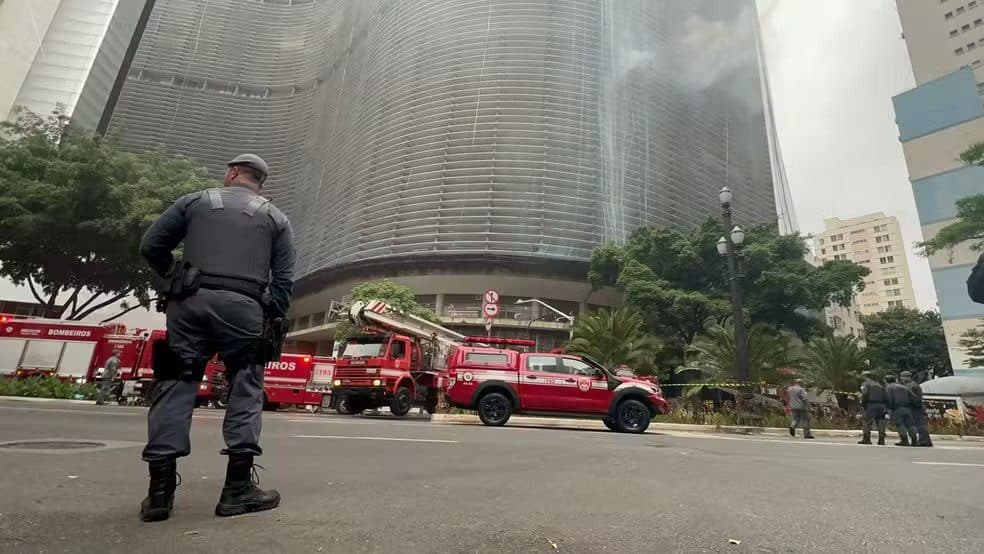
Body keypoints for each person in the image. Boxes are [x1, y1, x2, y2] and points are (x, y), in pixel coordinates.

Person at [137, 154, 295, 522]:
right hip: (245, 309)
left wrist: (175, 275)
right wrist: (273, 314)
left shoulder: (193, 201)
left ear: (233, 173)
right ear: (260, 181)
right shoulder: (277, 218)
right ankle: (237, 491)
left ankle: (159, 495)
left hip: (188, 304)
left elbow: (150, 246)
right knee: (246, 386)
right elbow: (284, 279)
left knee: (175, 383)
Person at [901, 370, 933, 447]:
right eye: (901, 377)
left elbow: (915, 398)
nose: (902, 379)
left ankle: (924, 440)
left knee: (920, 425)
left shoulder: (912, 386)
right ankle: (923, 440)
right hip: (913, 408)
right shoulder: (909, 385)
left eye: (903, 377)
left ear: (909, 377)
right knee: (916, 425)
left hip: (916, 408)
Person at [885, 374, 917, 446]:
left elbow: (889, 399)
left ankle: (904, 440)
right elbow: (913, 397)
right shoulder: (904, 387)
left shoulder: (889, 387)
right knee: (910, 424)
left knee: (900, 424)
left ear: (886, 381)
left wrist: (889, 408)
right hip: (907, 408)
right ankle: (914, 440)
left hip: (896, 408)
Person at [857, 371, 887, 446]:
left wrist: (863, 402)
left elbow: (864, 394)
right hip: (881, 405)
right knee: (880, 422)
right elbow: (885, 395)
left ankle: (866, 439)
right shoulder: (879, 385)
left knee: (867, 421)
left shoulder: (866, 384)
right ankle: (881, 440)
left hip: (870, 405)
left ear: (864, 376)